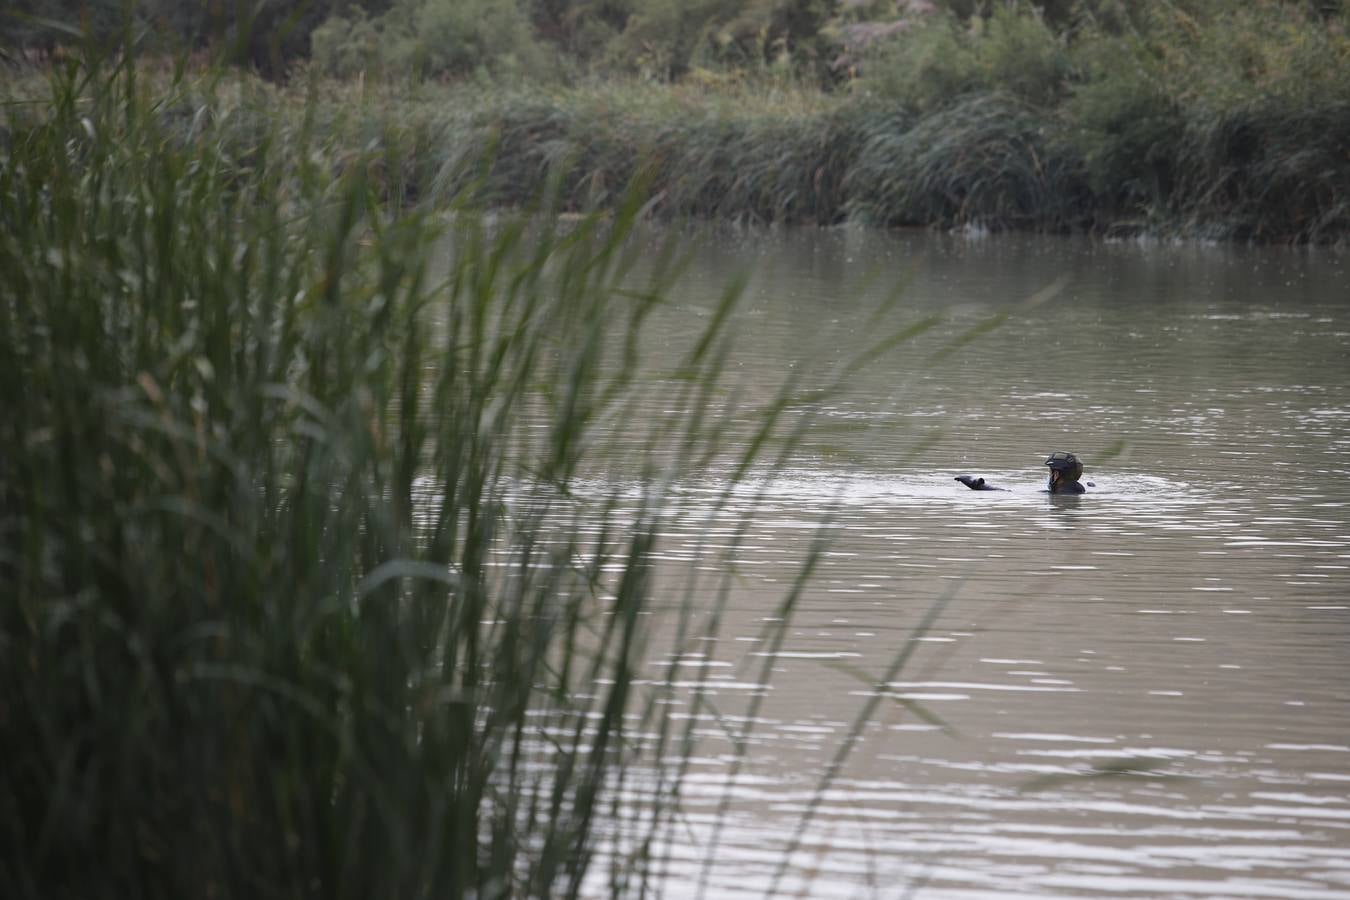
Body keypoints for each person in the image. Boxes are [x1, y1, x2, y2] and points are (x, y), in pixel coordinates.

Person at [956, 452, 1087, 494]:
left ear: (1056, 475)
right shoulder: (1081, 490)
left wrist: (977, 485)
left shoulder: (1055, 495)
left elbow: (1007, 493)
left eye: (1050, 472)